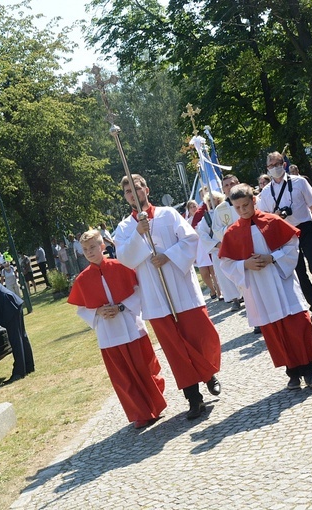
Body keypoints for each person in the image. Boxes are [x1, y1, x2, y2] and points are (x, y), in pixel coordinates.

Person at [114, 174, 222, 420]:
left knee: (202, 336)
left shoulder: (168, 214)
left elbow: (191, 239)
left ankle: (208, 373)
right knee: (175, 349)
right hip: (155, 296)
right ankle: (193, 398)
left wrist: (168, 255)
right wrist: (138, 234)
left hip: (181, 288)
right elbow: (125, 258)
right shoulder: (124, 228)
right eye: (128, 191)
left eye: (136, 188)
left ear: (146, 189)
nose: (133, 193)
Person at [219, 184, 312, 389]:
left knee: (299, 323)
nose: (243, 210)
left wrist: (272, 258)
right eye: (238, 207)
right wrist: (244, 265)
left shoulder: (272, 221)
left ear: (254, 201)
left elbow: (292, 245)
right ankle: (292, 372)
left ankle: (310, 371)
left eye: (246, 205)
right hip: (259, 288)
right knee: (275, 330)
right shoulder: (232, 232)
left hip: (281, 280)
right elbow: (226, 264)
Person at [68, 229, 167, 429]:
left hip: (131, 325)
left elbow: (139, 291)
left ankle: (154, 405)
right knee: (123, 376)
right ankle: (140, 413)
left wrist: (121, 307)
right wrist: (98, 312)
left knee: (144, 367)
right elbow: (82, 309)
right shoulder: (82, 279)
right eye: (85, 249)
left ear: (102, 246)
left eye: (93, 247)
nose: (89, 252)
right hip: (109, 333)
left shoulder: (121, 266)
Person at [256, 151, 312, 322]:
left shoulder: (300, 182)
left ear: (284, 164)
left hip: (305, 228)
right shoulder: (265, 192)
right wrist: (276, 216)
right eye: (271, 166)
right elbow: (264, 218)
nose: (274, 168)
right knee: (299, 271)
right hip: (285, 234)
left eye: (277, 164)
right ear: (267, 168)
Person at [212, 175, 244, 310]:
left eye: (232, 183)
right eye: (226, 185)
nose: (230, 187)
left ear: (238, 184)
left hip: (253, 245)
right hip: (235, 249)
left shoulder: (249, 200)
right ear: (223, 189)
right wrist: (231, 229)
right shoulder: (220, 209)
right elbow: (216, 229)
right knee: (243, 284)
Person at [193, 188, 223, 300]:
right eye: (209, 200)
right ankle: (233, 298)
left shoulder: (224, 212)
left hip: (229, 247)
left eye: (213, 200)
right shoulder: (206, 216)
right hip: (216, 249)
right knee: (221, 274)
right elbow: (202, 233)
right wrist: (216, 244)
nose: (211, 202)